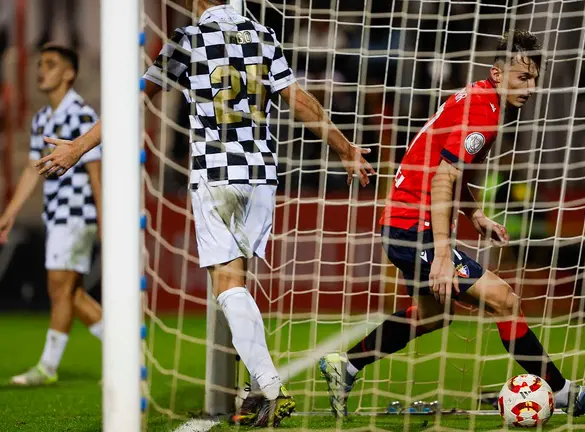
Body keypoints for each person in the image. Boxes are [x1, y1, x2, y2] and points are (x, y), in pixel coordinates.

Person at [36, 0, 374, 427]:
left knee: (227, 284)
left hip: (215, 174)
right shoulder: (262, 35)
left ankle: (270, 386)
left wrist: (77, 147)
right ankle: (256, 388)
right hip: (261, 175)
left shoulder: (188, 38)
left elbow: (135, 101)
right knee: (240, 281)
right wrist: (345, 151)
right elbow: (299, 100)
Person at [318, 29, 585, 417]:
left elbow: (446, 169)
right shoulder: (484, 112)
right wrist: (442, 254)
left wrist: (474, 212)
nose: (529, 89)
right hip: (415, 227)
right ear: (497, 74)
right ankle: (564, 394)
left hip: (403, 222)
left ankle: (348, 365)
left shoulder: (475, 97)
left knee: (432, 315)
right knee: (504, 300)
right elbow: (444, 177)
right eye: (522, 78)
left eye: (534, 81)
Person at [0, 44, 103, 386]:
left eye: (51, 64)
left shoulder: (83, 115)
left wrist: (104, 219)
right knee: (69, 294)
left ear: (69, 73)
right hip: (55, 213)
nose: (41, 70)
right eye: (40, 64)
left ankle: (47, 367)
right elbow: (33, 170)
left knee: (59, 289)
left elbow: (96, 172)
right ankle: (126, 348)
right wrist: (11, 212)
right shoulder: (43, 118)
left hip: (78, 214)